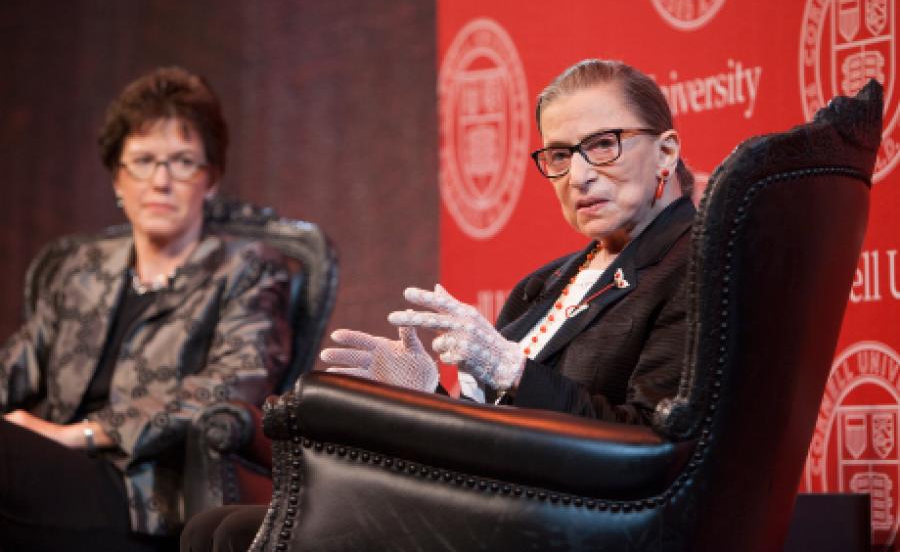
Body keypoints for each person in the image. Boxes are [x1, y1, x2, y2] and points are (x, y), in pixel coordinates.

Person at [180, 58, 696, 552]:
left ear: (666, 151)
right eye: (560, 155)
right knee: (212, 529)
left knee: (235, 536)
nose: (579, 175)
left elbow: (651, 444)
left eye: (603, 145)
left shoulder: (691, 264)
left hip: (574, 523)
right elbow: (493, 434)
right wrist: (429, 396)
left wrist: (513, 372)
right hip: (497, 503)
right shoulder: (542, 286)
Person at [0, 67, 291, 552]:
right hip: (47, 472)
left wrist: (78, 436)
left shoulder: (248, 269)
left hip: (141, 494)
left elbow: (233, 384)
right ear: (117, 177)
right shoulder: (83, 268)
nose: (161, 181)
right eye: (143, 161)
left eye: (183, 162)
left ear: (210, 179)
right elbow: (16, 364)